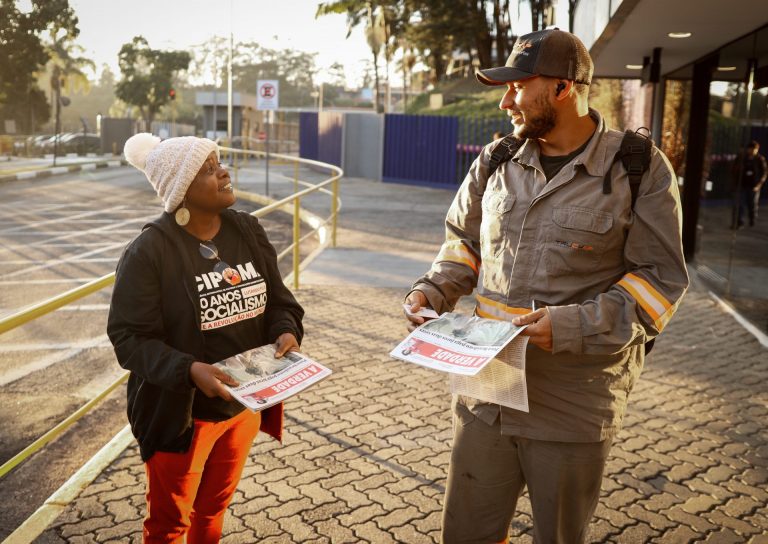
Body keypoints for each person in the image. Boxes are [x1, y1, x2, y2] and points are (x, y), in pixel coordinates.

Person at [403, 28, 689, 543]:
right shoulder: (495, 162)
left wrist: (569, 325)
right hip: (486, 390)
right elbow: (463, 244)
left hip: (573, 400)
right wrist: (432, 290)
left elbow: (659, 282)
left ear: (564, 88)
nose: (506, 100)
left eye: (519, 87)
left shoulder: (638, 168)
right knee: (465, 534)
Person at [107, 133, 304, 543]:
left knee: (213, 508)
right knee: (169, 525)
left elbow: (280, 301)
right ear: (180, 190)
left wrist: (286, 330)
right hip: (182, 418)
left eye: (220, 162)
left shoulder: (247, 230)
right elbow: (129, 338)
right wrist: (189, 370)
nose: (224, 172)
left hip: (242, 409)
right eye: (208, 169)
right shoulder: (149, 251)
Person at [731, 140, 767, 228]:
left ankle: (752, 219)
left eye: (754, 149)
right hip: (742, 185)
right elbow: (734, 169)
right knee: (740, 204)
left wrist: (759, 184)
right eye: (751, 149)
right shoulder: (742, 158)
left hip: (753, 186)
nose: (752, 151)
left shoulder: (759, 159)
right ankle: (739, 222)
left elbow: (764, 173)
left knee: (752, 204)